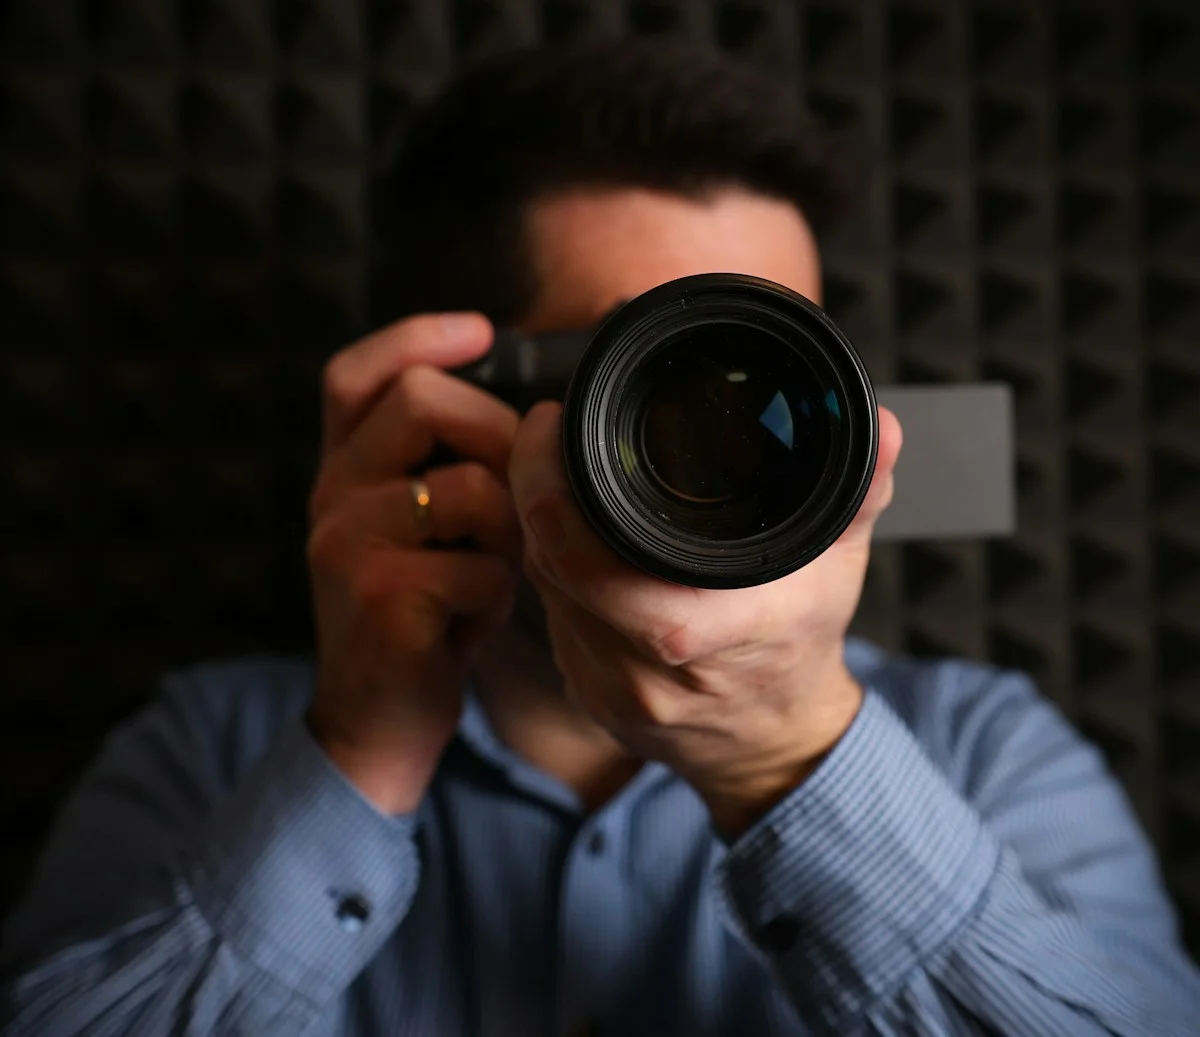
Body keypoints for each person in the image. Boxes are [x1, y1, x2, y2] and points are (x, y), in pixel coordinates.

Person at [1, 39, 1197, 1037]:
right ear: (457, 400)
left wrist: (784, 758)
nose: (725, 441)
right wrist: (362, 746)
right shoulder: (212, 750)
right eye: (652, 370)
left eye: (764, 356)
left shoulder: (988, 752)